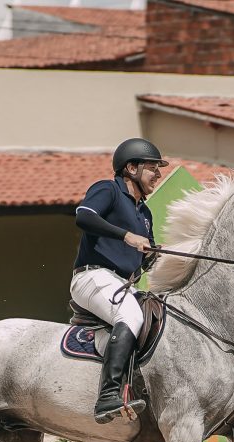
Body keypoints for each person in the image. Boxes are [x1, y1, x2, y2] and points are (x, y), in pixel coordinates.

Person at [71, 137, 168, 424]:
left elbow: (142, 256)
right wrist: (126, 236)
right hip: (92, 276)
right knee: (130, 315)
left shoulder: (145, 213)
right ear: (131, 168)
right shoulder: (108, 189)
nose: (159, 175)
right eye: (153, 168)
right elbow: (84, 217)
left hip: (122, 283)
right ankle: (107, 396)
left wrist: (152, 255)